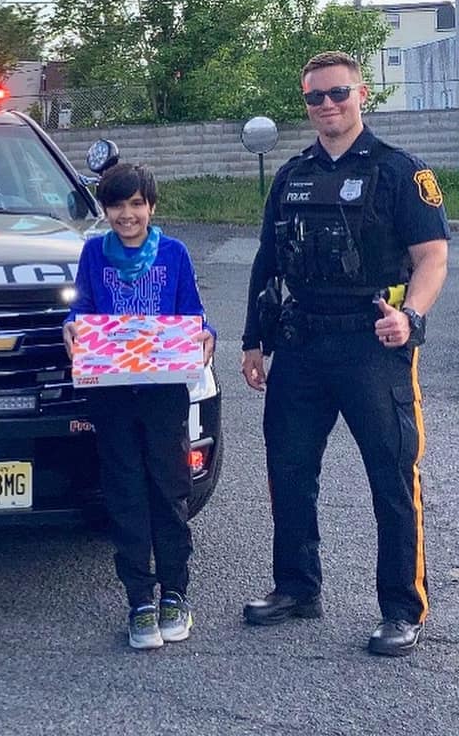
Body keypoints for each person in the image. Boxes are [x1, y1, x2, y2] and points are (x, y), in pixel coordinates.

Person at [240, 51, 450, 657]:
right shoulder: (290, 175)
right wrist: (254, 340)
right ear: (305, 104)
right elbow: (268, 262)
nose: (328, 105)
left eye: (338, 93)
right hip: (301, 342)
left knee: (391, 476)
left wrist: (411, 318)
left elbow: (432, 256)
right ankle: (297, 587)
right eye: (315, 97)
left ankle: (402, 609)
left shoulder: (400, 171)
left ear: (362, 95)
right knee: (288, 470)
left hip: (372, 341)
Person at [62, 162, 215, 650]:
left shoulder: (173, 253)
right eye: (116, 205)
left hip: (163, 390)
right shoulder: (93, 253)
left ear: (151, 206)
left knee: (170, 488)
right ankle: (139, 598)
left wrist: (204, 337)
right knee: (124, 492)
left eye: (135, 204)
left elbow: (191, 312)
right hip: (111, 392)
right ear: (104, 209)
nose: (126, 214)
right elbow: (82, 308)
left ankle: (175, 591)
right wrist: (72, 326)